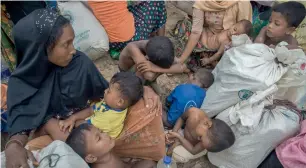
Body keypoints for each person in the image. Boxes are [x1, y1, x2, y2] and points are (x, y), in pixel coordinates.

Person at [4, 9, 160, 168]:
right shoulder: (23, 82)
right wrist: (14, 145)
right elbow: (20, 126)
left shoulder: (79, 62)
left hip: (94, 126)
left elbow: (108, 93)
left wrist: (141, 89)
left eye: (72, 42)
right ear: (42, 48)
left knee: (147, 106)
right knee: (36, 150)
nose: (73, 50)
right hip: (59, 135)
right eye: (66, 44)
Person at [58, 72, 143, 139]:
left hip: (92, 133)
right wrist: (73, 118)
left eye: (109, 91)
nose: (105, 91)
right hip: (91, 123)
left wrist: (72, 121)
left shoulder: (108, 118)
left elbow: (84, 127)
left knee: (59, 129)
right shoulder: (112, 104)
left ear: (120, 102)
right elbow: (91, 110)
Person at [173, 1, 252, 66]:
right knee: (185, 24)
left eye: (235, 31)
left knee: (217, 57)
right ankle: (189, 57)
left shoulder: (242, 3)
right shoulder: (203, 2)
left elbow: (242, 37)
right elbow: (196, 31)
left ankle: (194, 59)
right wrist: (182, 59)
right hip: (205, 35)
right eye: (234, 29)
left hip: (217, 48)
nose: (233, 32)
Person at [88, 1, 167, 58]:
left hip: (111, 43)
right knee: (158, 2)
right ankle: (161, 44)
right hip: (131, 40)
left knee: (128, 8)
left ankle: (118, 51)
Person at [66, 123, 156, 168]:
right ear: (91, 158)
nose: (105, 134)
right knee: (150, 163)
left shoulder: (106, 152)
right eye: (99, 138)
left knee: (150, 162)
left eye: (101, 131)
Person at [166, 107, 235, 162]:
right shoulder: (193, 113)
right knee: (163, 137)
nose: (198, 139)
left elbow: (193, 150)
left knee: (177, 155)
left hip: (193, 148)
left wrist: (179, 138)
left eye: (201, 140)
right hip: (183, 134)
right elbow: (181, 118)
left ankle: (201, 152)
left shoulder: (206, 142)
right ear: (207, 124)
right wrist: (174, 133)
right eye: (201, 137)